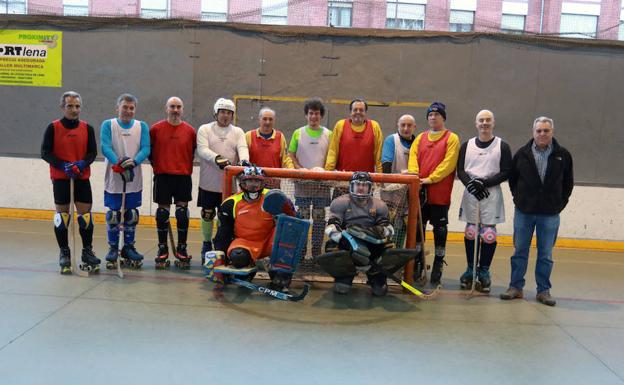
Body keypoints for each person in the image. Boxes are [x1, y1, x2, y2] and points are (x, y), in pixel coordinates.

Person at [500, 116, 573, 306]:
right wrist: (519, 199)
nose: (542, 134)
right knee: (520, 251)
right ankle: (515, 287)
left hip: (550, 214)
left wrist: (559, 204)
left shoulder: (563, 155)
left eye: (546, 130)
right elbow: (513, 180)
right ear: (533, 133)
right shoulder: (521, 154)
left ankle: (543, 291)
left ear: (552, 132)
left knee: (545, 254)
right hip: (524, 212)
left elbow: (568, 184)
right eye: (539, 131)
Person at [211, 166, 298, 291]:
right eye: (250, 181)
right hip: (244, 242)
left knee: (285, 244)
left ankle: (279, 278)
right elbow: (223, 234)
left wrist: (282, 216)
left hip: (269, 240)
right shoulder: (230, 203)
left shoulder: (273, 196)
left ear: (262, 182)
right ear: (242, 183)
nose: (253, 185)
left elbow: (293, 220)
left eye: (257, 181)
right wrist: (221, 261)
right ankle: (246, 270)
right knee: (238, 256)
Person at [41, 91, 99, 274]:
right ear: (62, 107)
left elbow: (92, 153)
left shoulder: (87, 128)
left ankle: (87, 251)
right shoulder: (53, 127)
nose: (74, 110)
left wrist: (83, 163)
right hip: (61, 178)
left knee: (86, 217)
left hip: (81, 178)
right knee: (62, 217)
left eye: (77, 106)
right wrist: (62, 165)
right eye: (70, 106)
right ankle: (64, 253)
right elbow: (45, 152)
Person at [456, 110, 512, 292]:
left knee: (488, 235)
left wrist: (485, 183)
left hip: (491, 194)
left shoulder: (502, 146)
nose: (484, 123)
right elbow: (461, 170)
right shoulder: (467, 145)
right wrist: (472, 185)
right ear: (476, 123)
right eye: (481, 120)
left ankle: (484, 271)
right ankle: (470, 269)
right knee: (471, 232)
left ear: (493, 123)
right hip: (471, 193)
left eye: (488, 120)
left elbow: (505, 171)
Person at [407, 102, 460, 286]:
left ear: (443, 117)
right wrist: (416, 178)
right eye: (430, 114)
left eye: (437, 114)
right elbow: (413, 159)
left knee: (439, 229)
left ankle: (438, 261)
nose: (433, 117)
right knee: (417, 228)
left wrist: (431, 178)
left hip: (439, 192)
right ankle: (418, 261)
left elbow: (449, 163)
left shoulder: (451, 138)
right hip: (420, 190)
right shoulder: (420, 138)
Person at [322, 172, 395, 296]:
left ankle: (375, 275)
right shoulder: (340, 202)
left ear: (370, 187)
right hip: (348, 244)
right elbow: (331, 227)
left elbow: (389, 229)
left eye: (364, 185)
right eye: (357, 184)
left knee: (381, 290)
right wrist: (343, 239)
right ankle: (344, 276)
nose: (361, 188)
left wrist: (379, 233)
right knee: (331, 247)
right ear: (351, 186)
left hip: (371, 244)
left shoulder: (380, 205)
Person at [100, 94, 150, 269]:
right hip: (114, 177)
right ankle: (113, 248)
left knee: (131, 214)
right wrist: (118, 162)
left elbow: (146, 147)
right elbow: (105, 146)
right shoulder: (108, 125)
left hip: (133, 177)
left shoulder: (141, 126)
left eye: (131, 108)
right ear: (117, 108)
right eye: (125, 107)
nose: (128, 111)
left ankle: (128, 247)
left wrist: (134, 162)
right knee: (114, 215)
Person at [196, 97, 249, 260]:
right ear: (216, 113)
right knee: (207, 214)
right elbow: (202, 150)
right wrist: (217, 158)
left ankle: (220, 244)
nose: (225, 116)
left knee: (225, 217)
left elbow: (242, 148)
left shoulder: (238, 132)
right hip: (208, 182)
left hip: (229, 185)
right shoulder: (205, 129)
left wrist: (244, 161)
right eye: (222, 112)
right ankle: (206, 243)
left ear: (232, 115)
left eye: (228, 113)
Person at [149, 96, 197, 269]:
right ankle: (162, 248)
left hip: (183, 176)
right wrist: (160, 166)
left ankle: (182, 248)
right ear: (166, 108)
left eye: (178, 107)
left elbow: (191, 152)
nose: (175, 110)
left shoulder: (190, 131)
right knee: (162, 213)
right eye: (172, 107)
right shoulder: (155, 129)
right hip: (163, 176)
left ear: (182, 110)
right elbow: (150, 152)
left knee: (182, 213)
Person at [288, 97, 332, 256]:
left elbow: (332, 157)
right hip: (302, 183)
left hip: (321, 185)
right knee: (302, 218)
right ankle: (299, 253)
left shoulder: (329, 134)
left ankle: (316, 253)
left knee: (319, 219)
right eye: (311, 113)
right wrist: (300, 170)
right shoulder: (297, 133)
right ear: (306, 115)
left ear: (321, 116)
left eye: (317, 114)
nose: (314, 117)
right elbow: (291, 155)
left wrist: (323, 171)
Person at [380, 114, 417, 247]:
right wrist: (391, 185)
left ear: (414, 127)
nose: (406, 128)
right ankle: (384, 252)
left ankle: (397, 254)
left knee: (402, 225)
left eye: (409, 125)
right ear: (398, 126)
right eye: (403, 125)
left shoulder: (417, 142)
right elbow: (386, 164)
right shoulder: (391, 140)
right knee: (387, 222)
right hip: (391, 190)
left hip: (409, 192)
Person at [324, 99, 383, 174]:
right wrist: (328, 173)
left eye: (361, 110)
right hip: (343, 178)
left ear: (365, 113)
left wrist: (380, 177)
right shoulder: (340, 125)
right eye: (355, 110)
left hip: (366, 180)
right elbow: (333, 152)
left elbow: (378, 156)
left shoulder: (375, 126)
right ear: (350, 112)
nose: (358, 112)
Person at [246, 107, 293, 188]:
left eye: (270, 119)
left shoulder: (280, 136)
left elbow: (285, 159)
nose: (267, 122)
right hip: (253, 185)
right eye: (264, 119)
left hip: (273, 185)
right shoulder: (249, 135)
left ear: (274, 121)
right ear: (259, 120)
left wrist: (292, 170)